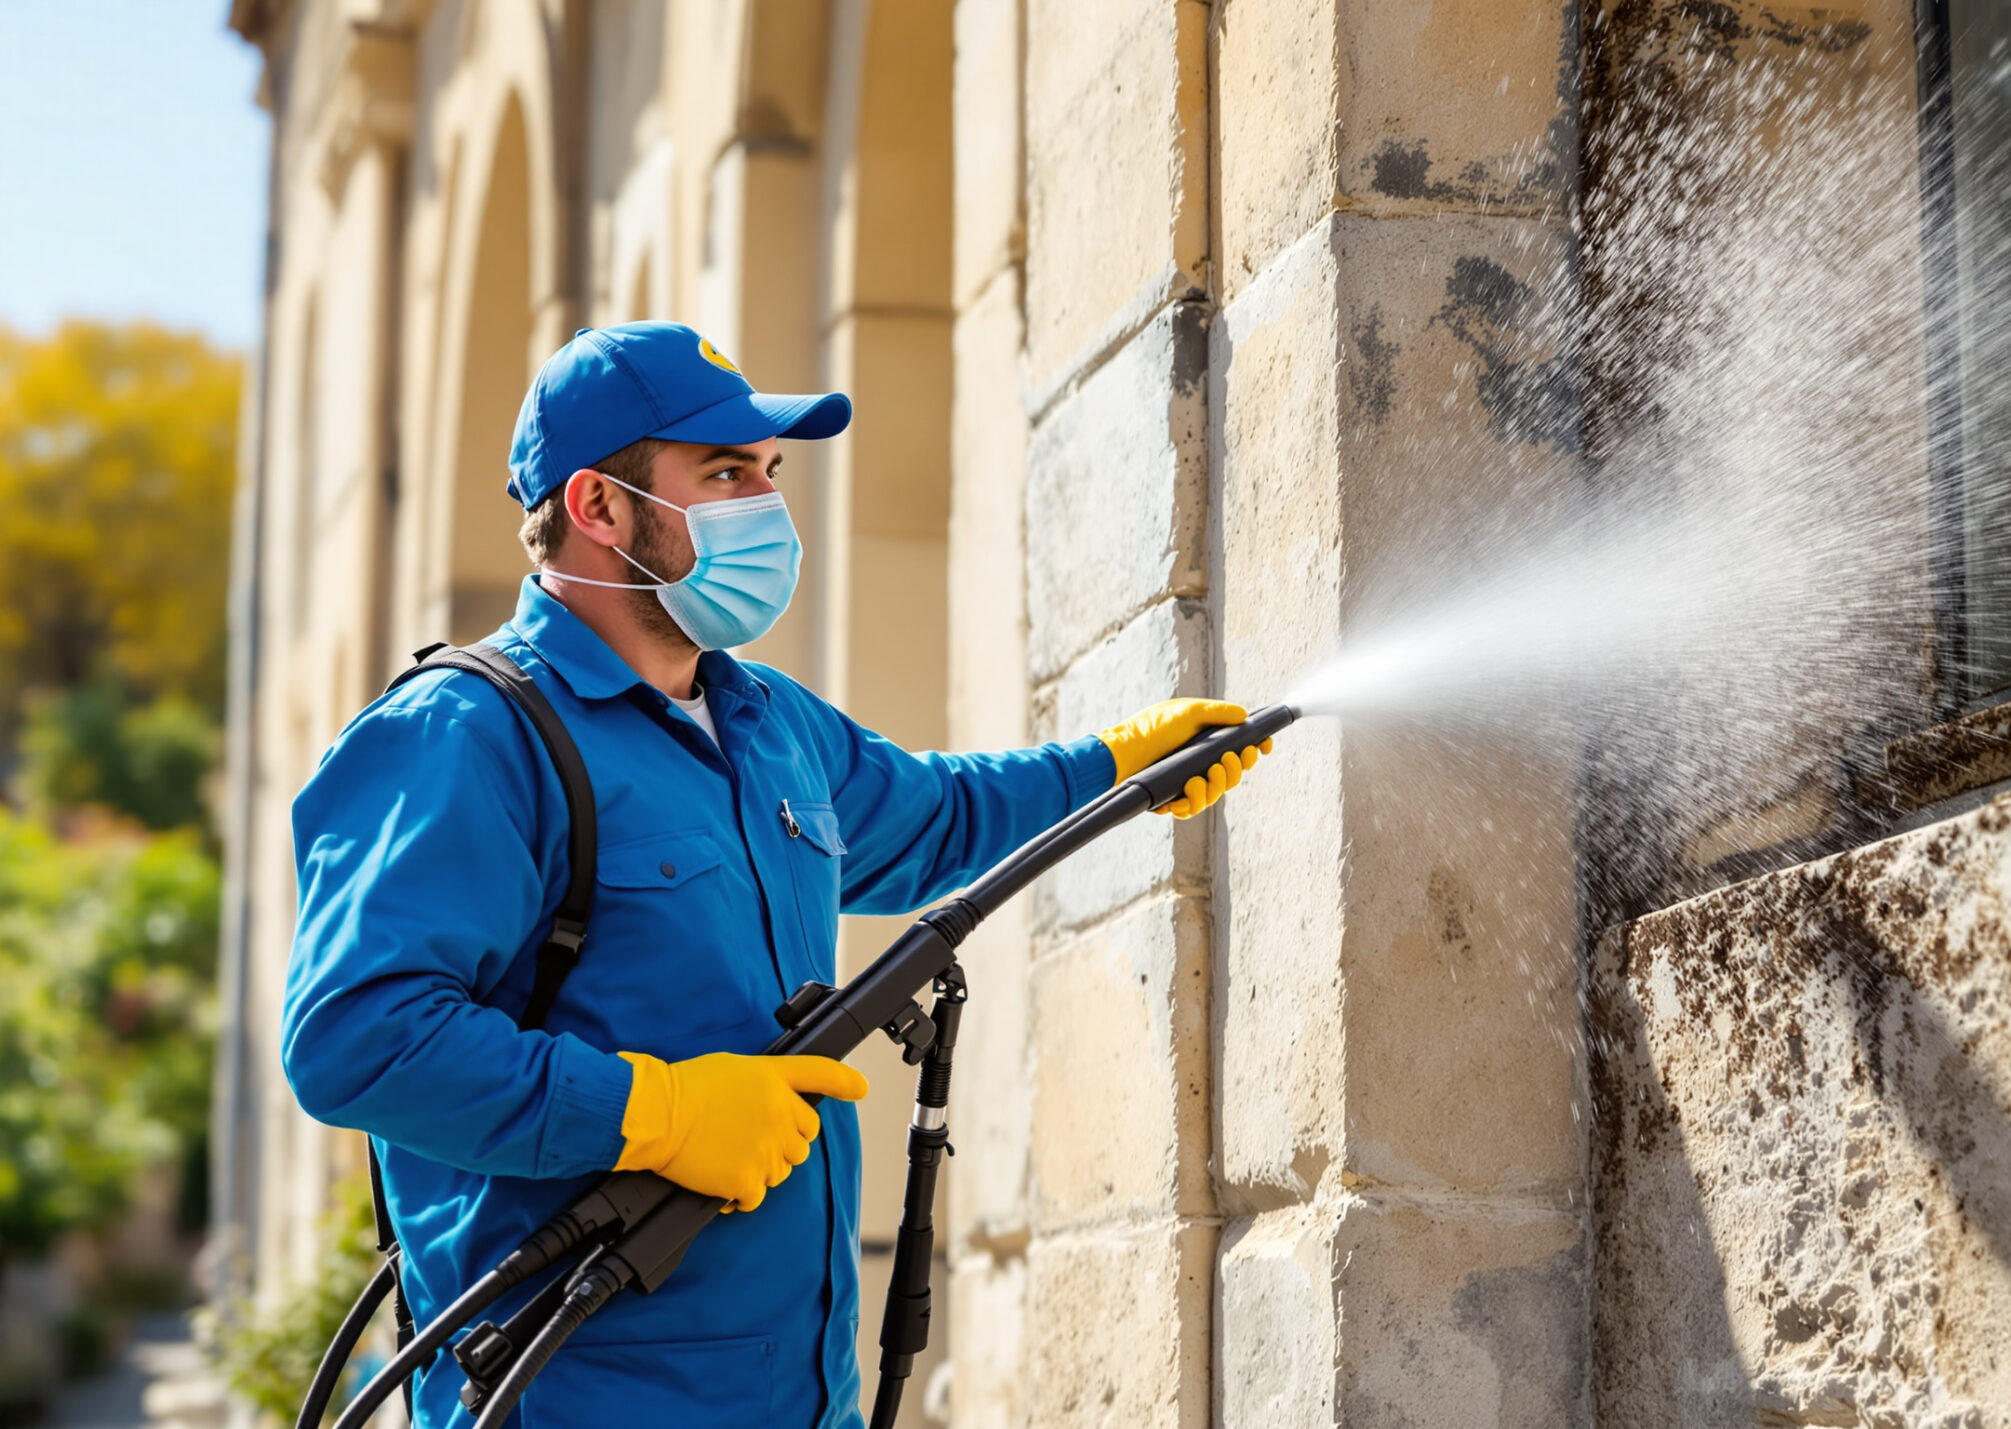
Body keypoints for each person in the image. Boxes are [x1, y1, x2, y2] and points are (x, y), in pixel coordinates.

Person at [280, 321, 1270, 1429]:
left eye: (767, 472)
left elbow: (938, 819)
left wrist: (1118, 765)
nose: (765, 503)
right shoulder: (466, 735)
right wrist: (653, 1111)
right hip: (573, 1402)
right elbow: (358, 1041)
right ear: (599, 506)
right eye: (722, 472)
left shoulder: (764, 720)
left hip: (800, 1400)